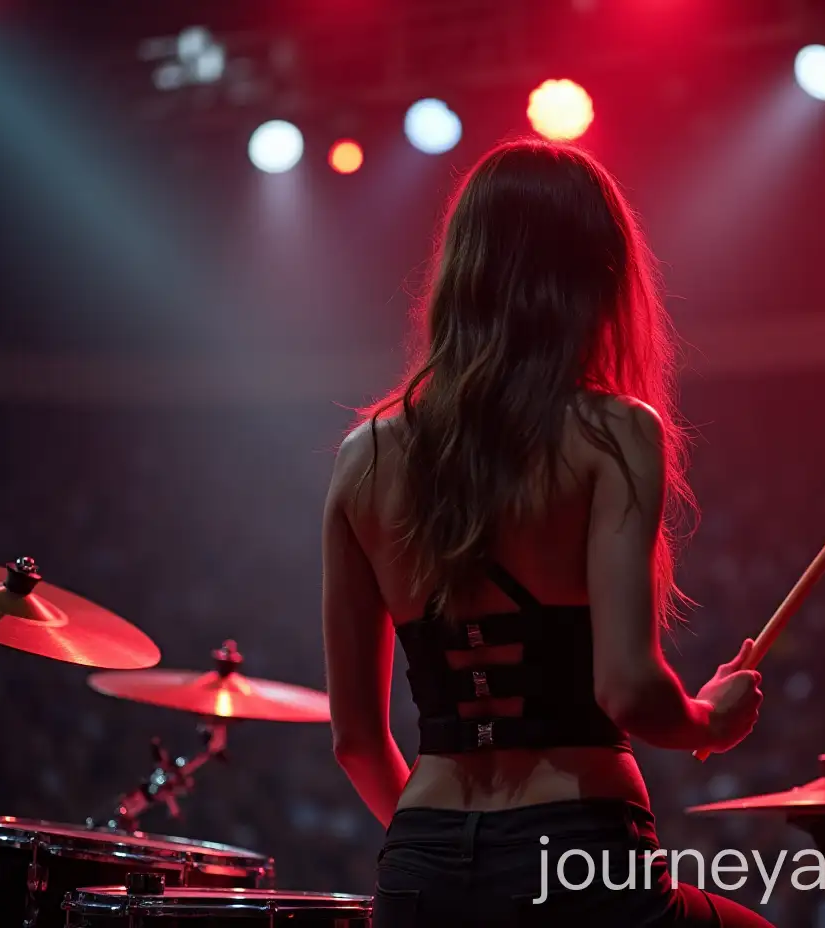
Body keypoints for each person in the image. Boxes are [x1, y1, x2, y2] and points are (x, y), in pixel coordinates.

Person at [321, 138, 770, 927]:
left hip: (423, 861)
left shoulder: (364, 457)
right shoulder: (613, 433)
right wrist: (712, 720)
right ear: (597, 278)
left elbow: (356, 740)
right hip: (577, 847)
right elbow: (628, 690)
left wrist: (452, 854)